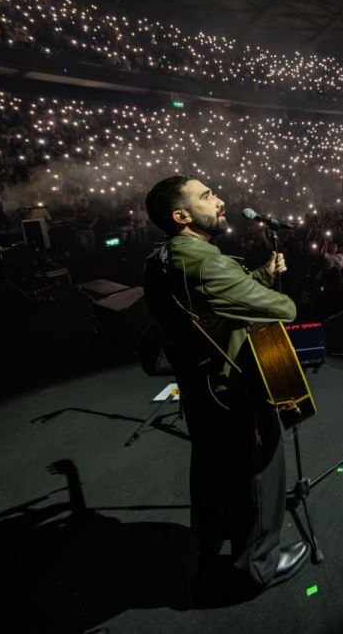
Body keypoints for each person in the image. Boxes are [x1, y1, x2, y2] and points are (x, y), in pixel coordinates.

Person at [140, 174, 308, 596]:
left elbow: (211, 303)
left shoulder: (162, 258)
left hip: (200, 386)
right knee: (260, 468)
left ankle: (213, 541)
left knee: (215, 468)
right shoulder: (207, 263)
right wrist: (271, 289)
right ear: (182, 216)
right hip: (232, 385)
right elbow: (283, 310)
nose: (219, 201)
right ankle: (258, 565)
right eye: (207, 196)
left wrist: (259, 275)